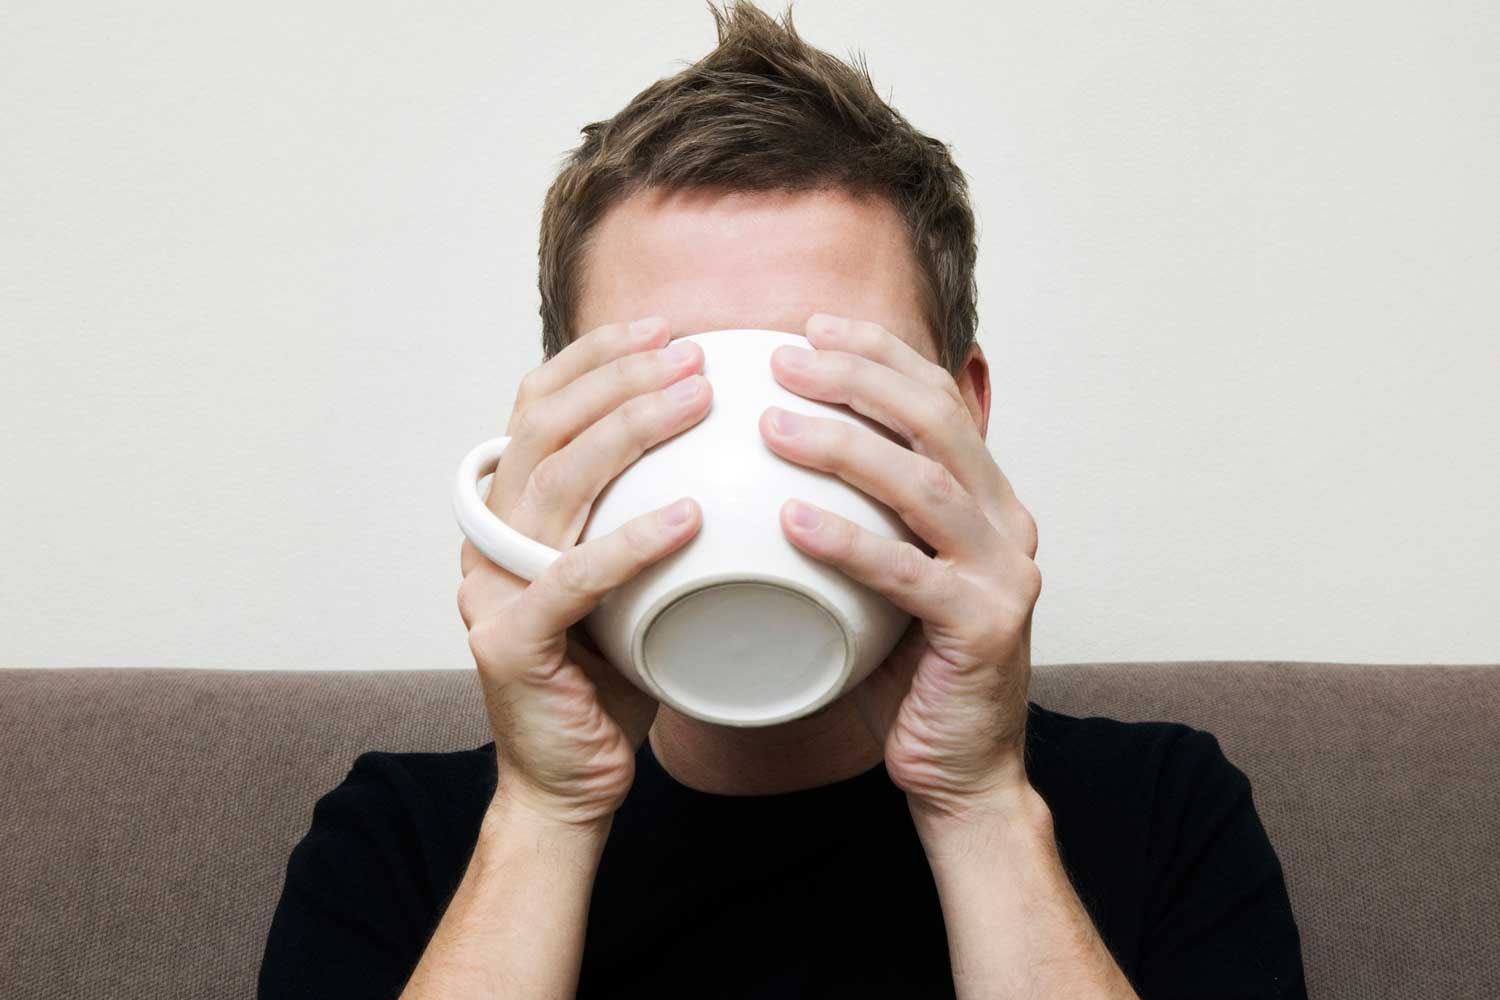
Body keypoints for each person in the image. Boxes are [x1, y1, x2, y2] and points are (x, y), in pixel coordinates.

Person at [258, 3, 1306, 997]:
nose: (755, 440)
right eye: (674, 384)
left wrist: (976, 802)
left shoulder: (1163, 811)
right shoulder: (400, 839)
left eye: (824, 376)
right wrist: (548, 810)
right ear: (561, 430)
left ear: (958, 415)